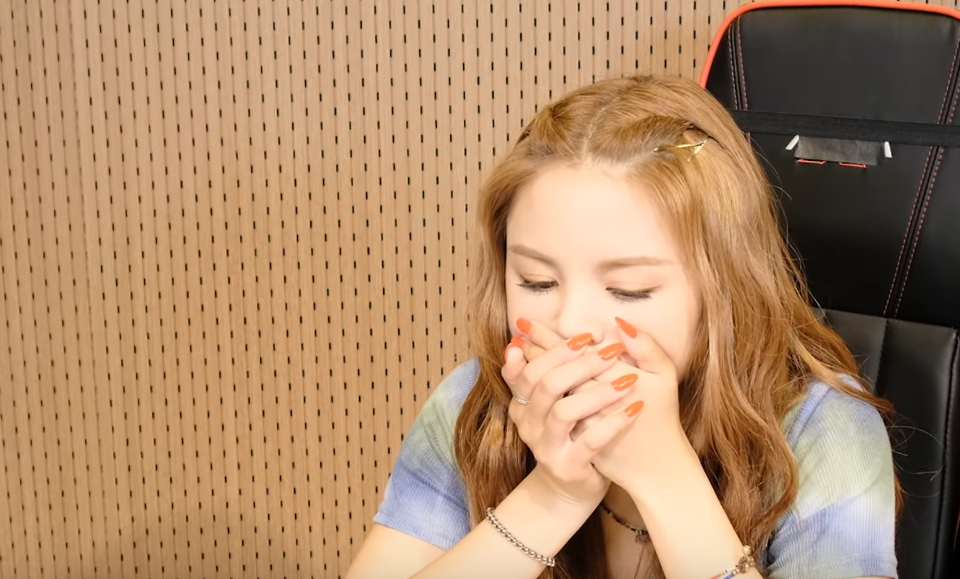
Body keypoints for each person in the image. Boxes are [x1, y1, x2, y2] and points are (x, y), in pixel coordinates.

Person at [344, 75, 898, 579]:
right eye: (537, 281)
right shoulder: (475, 402)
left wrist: (665, 477)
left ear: (724, 292)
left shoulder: (826, 429)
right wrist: (553, 498)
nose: (570, 322)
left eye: (629, 290)